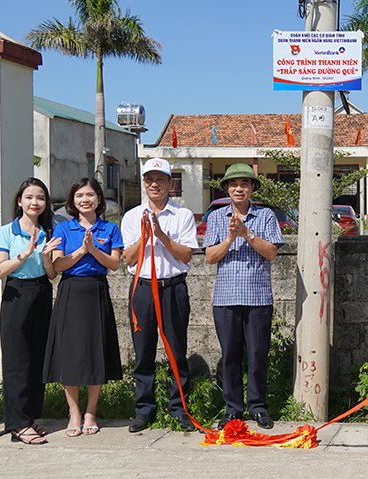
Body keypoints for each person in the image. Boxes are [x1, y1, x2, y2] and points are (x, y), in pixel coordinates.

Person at [203, 163, 284, 430]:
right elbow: (210, 258)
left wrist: (246, 233)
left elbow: (271, 252)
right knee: (230, 355)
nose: (239, 189)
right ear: (227, 188)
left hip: (258, 297)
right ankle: (233, 409)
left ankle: (258, 407)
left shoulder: (266, 216)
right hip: (226, 298)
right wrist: (229, 238)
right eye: (234, 184)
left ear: (252, 189)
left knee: (258, 354)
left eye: (245, 184)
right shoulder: (216, 217)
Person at [121, 158, 199, 433]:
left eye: (161, 179)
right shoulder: (132, 216)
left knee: (176, 350)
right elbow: (128, 259)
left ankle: (179, 408)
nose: (155, 184)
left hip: (173, 288)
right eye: (150, 179)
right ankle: (144, 410)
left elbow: (186, 254)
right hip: (142, 289)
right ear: (144, 183)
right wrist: (144, 235)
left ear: (169, 183)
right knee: (143, 352)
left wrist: (161, 235)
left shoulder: (183, 215)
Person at [43, 177, 124, 437]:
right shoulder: (63, 229)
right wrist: (81, 250)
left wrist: (93, 250)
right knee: (71, 353)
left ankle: (91, 411)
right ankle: (74, 412)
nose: (85, 199)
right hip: (70, 291)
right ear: (72, 201)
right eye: (79, 195)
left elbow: (114, 264)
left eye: (90, 194)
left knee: (95, 351)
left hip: (97, 290)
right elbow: (57, 266)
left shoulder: (110, 229)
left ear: (99, 199)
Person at [0, 178, 61, 444]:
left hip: (42, 291)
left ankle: (30, 418)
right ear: (19, 201)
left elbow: (52, 273)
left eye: (41, 197)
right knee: (17, 360)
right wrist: (26, 252)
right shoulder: (5, 232)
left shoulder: (50, 231)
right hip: (17, 293)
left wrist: (44, 257)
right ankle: (17, 424)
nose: (35, 202)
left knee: (37, 358)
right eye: (29, 197)